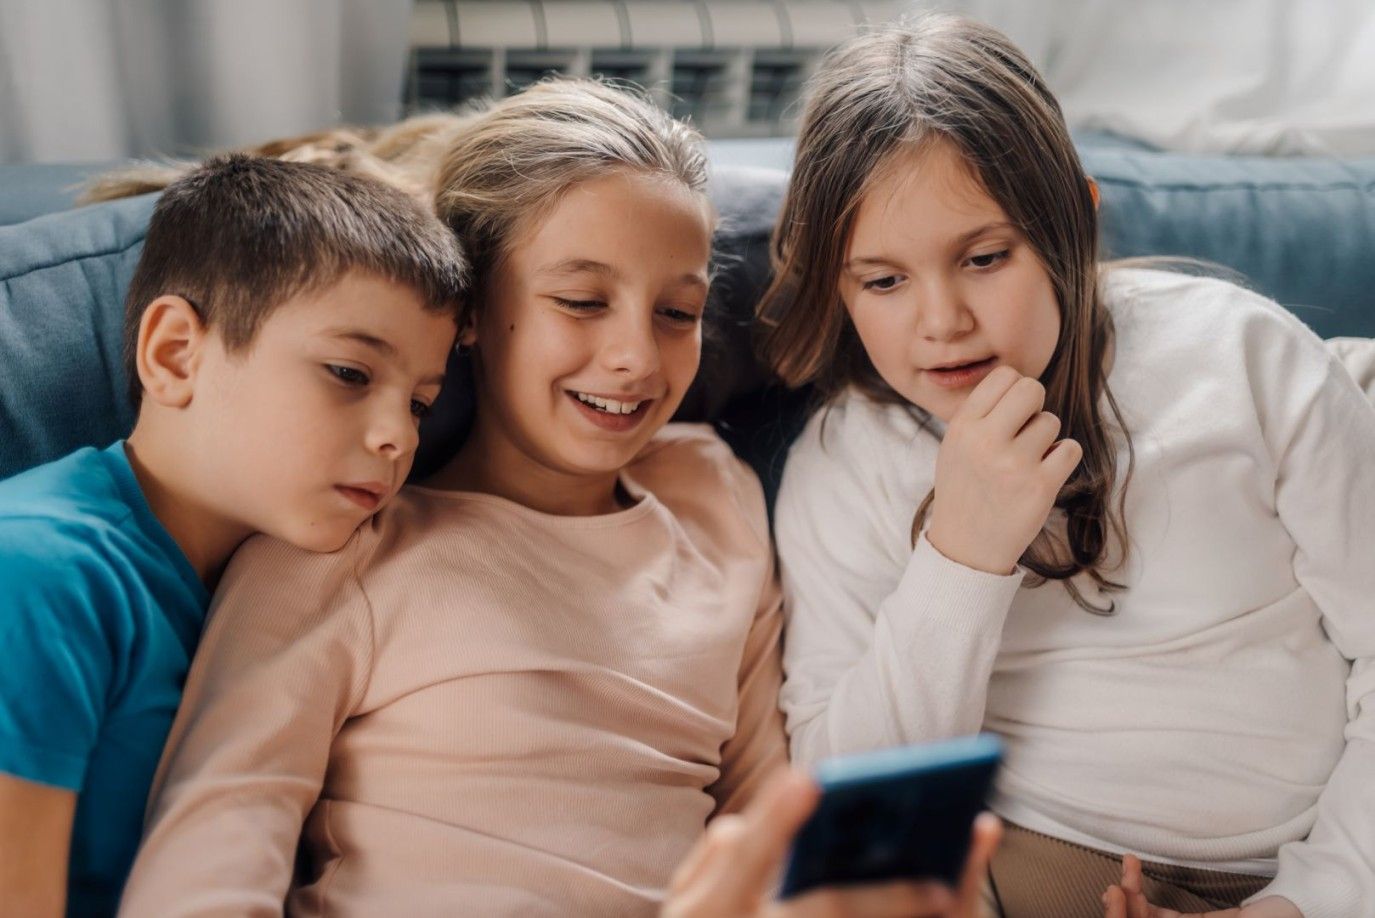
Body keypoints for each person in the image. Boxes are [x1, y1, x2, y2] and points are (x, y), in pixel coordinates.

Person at [115, 80, 993, 918]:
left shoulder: (711, 497)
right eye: (580, 301)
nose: (635, 358)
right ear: (469, 311)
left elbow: (766, 809)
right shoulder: (341, 544)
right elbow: (212, 847)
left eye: (676, 313)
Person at [760, 14, 1375, 918]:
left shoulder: (1244, 359)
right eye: (882, 281)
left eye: (983, 258)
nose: (941, 321)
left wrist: (1308, 902)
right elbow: (847, 798)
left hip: (1320, 864)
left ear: (1073, 225)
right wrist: (961, 555)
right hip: (1026, 867)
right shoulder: (847, 460)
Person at [0, 155, 468, 917]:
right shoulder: (38, 574)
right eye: (349, 373)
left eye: (419, 404)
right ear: (175, 354)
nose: (398, 437)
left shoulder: (287, 590)